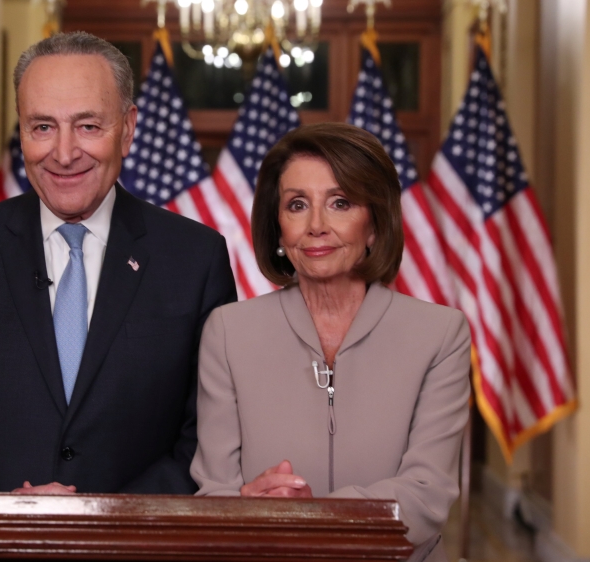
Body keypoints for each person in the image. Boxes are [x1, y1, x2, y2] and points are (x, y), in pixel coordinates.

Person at [0, 32, 237, 494]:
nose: (63, 154)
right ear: (21, 129)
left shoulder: (195, 258)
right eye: (42, 127)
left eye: (87, 126)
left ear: (129, 128)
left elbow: (209, 440)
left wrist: (103, 522)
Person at [190, 123, 471, 561]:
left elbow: (426, 495)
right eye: (297, 205)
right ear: (280, 230)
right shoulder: (228, 332)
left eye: (340, 203)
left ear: (375, 224)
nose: (316, 225)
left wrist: (307, 519)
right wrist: (245, 505)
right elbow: (213, 496)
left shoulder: (440, 334)